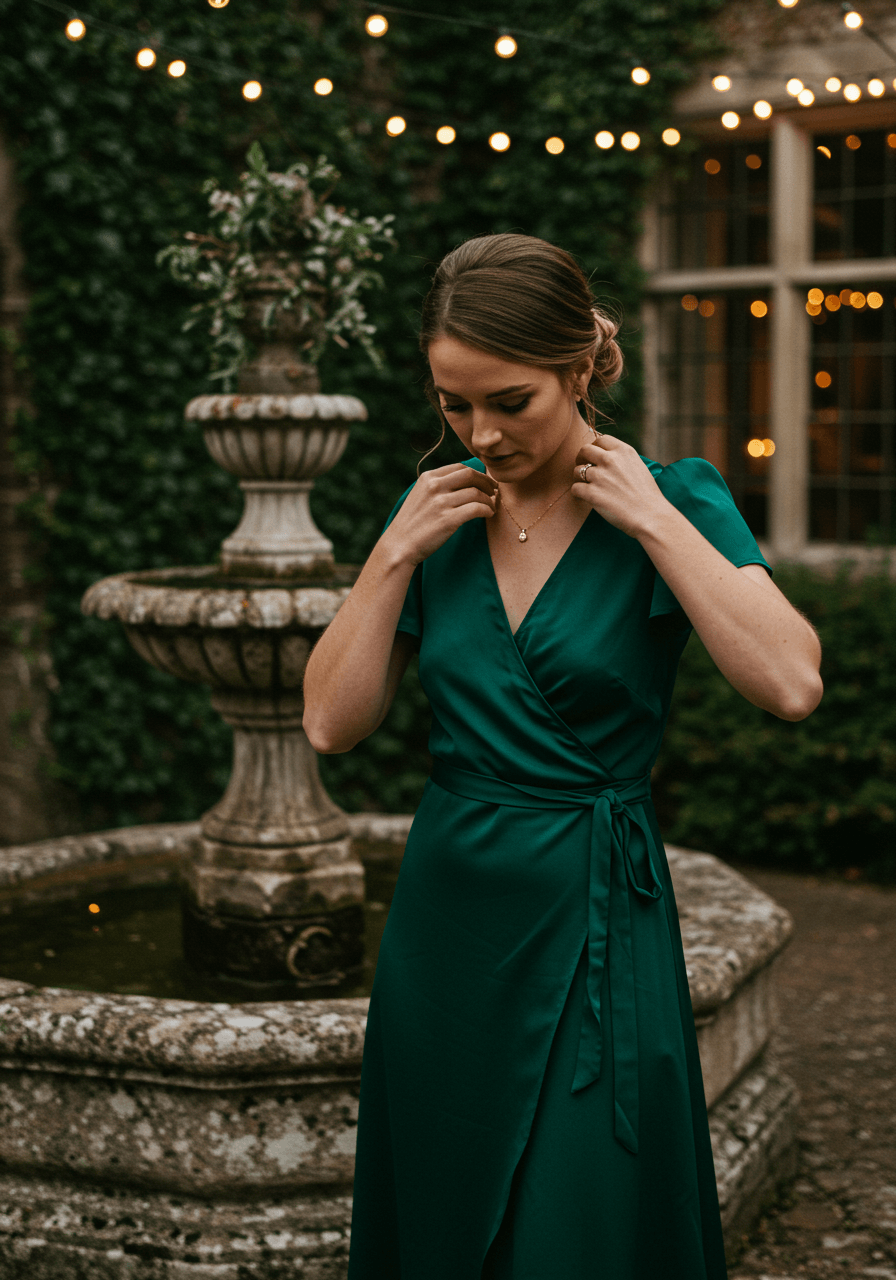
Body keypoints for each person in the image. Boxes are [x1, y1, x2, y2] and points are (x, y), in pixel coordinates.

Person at [303, 232, 823, 1280]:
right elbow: (329, 723)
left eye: (507, 402)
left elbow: (790, 682)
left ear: (578, 369)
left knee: (578, 1222)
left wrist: (655, 523)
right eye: (452, 405)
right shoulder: (437, 509)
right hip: (449, 923)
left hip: (594, 914)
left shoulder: (673, 495)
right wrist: (391, 554)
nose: (479, 433)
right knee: (445, 1211)